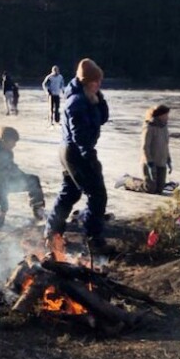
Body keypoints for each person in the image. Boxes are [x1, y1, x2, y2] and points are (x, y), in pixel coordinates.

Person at [45, 58, 110, 258]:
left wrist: (100, 99)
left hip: (72, 150)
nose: (98, 85)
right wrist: (89, 157)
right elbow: (79, 133)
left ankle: (52, 233)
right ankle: (93, 240)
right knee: (97, 194)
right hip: (75, 152)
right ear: (85, 81)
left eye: (100, 82)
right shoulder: (77, 101)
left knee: (70, 192)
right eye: (95, 82)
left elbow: (104, 118)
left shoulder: (88, 97)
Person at [0, 126, 46, 230]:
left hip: (6, 183)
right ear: (4, 141)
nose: (15, 145)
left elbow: (12, 169)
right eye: (13, 142)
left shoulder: (6, 151)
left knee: (33, 180)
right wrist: (3, 209)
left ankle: (39, 212)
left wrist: (23, 178)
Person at [116, 105, 172, 194]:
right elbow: (145, 147)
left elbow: (165, 144)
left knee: (159, 190)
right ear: (159, 115)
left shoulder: (164, 127)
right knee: (150, 189)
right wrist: (149, 162)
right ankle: (127, 181)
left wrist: (168, 159)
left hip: (161, 161)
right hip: (150, 162)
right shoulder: (149, 127)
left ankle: (159, 183)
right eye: (166, 115)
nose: (167, 117)